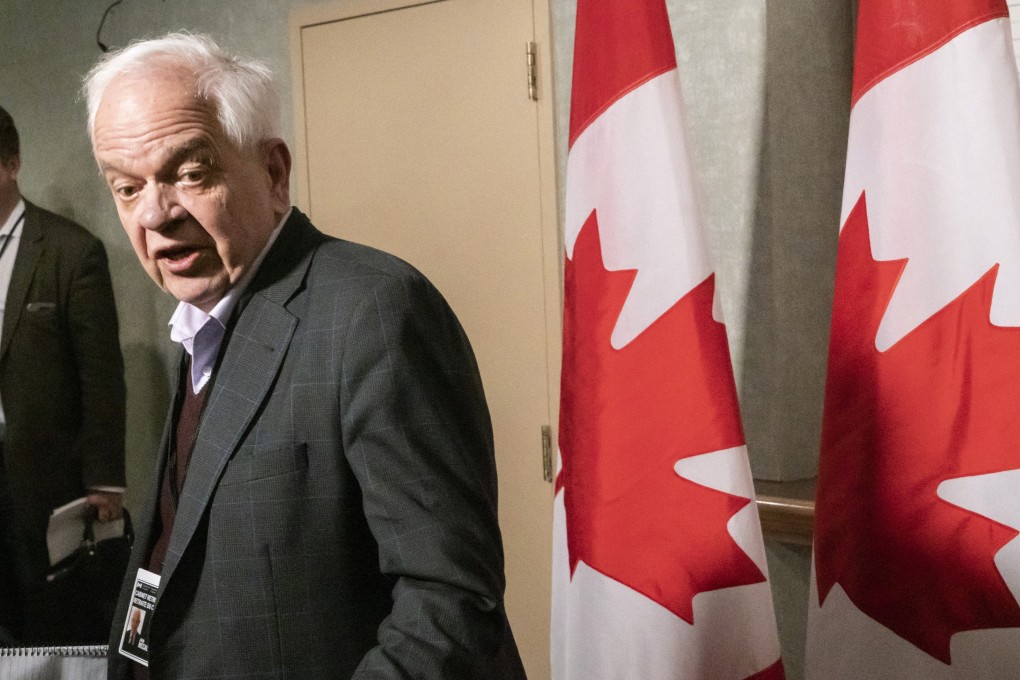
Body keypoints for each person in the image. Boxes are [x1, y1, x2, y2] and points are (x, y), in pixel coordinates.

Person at [84, 33, 526, 680]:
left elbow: (450, 604)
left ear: (273, 172)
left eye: (190, 172)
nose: (155, 214)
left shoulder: (374, 311)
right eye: (126, 187)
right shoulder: (204, 317)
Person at [0, 105, 127, 645]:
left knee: (49, 626)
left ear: (11, 163)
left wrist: (105, 479)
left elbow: (101, 376)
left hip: (42, 481)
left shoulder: (71, 252)